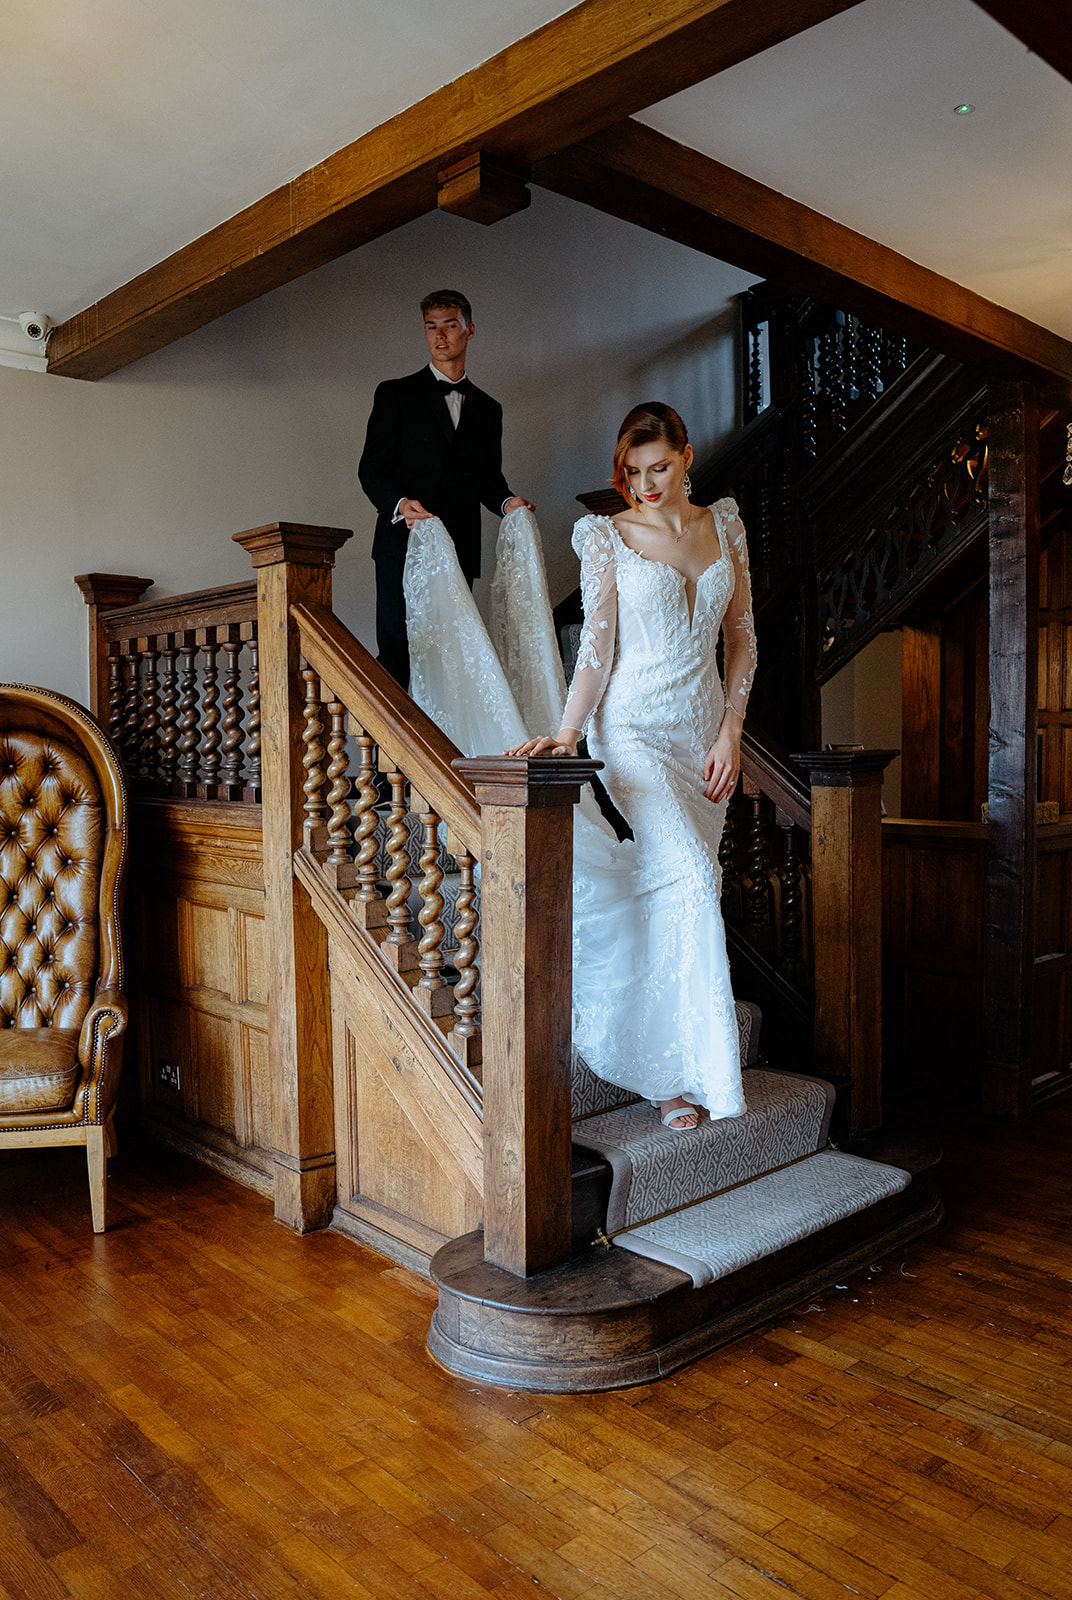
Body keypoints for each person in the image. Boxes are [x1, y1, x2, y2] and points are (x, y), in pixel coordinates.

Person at [508, 402, 757, 1131]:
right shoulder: (607, 538)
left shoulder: (726, 525)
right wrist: (566, 731)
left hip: (704, 734)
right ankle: (678, 1079)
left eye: (659, 468)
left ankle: (668, 1054)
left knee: (674, 890)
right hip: (636, 732)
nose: (645, 484)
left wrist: (732, 730)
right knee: (691, 875)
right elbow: (597, 649)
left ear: (685, 459)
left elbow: (742, 635)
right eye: (633, 472)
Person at [358, 290, 532, 688]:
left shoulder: (489, 409)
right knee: (399, 650)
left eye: (449, 326)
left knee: (450, 657)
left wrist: (507, 503)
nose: (440, 337)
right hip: (401, 546)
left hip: (459, 549)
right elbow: (371, 469)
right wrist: (400, 504)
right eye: (431, 327)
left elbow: (490, 479)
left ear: (469, 330)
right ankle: (397, 749)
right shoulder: (394, 393)